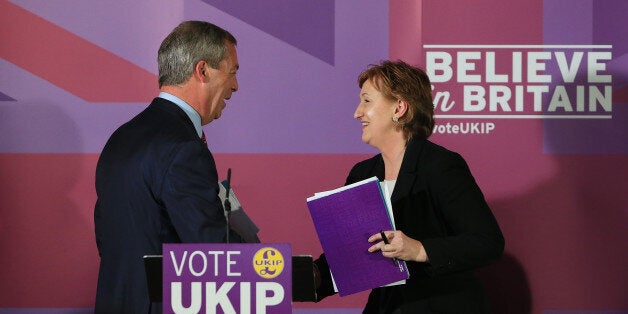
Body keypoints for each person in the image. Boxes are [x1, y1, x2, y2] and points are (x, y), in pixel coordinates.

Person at [313, 60, 504, 313]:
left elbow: (487, 242)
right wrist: (301, 277)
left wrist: (420, 249)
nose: (357, 112)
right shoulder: (362, 174)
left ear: (400, 107)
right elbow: (351, 255)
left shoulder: (439, 165)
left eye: (367, 101)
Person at [94, 21, 239, 313]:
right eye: (232, 72)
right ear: (203, 70)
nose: (235, 86)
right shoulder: (184, 147)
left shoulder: (122, 137)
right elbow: (209, 251)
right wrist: (274, 270)